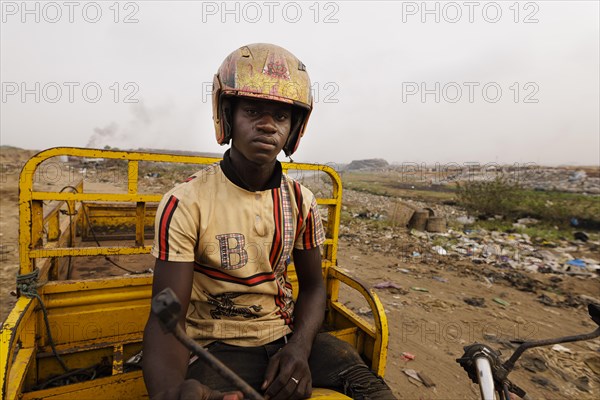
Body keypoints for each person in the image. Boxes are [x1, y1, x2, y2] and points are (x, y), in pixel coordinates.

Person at [142, 43, 396, 400]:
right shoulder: (185, 203)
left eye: (280, 116)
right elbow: (167, 317)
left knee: (375, 391)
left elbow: (313, 288)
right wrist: (172, 393)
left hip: (285, 336)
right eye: (253, 110)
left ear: (293, 129)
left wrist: (299, 349)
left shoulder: (301, 202)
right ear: (227, 116)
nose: (267, 125)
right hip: (216, 347)